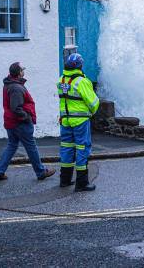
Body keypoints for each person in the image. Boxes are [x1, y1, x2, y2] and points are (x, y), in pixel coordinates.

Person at [0, 62, 55, 181]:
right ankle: (41, 172)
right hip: (20, 123)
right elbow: (16, 108)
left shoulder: (10, 84)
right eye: (22, 70)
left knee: (11, 146)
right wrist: (27, 117)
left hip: (10, 122)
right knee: (31, 147)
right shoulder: (16, 87)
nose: (24, 71)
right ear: (19, 72)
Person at [57, 53, 100, 191]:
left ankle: (65, 180)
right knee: (82, 148)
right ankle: (81, 183)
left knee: (67, 148)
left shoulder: (61, 80)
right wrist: (91, 113)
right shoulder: (82, 81)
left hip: (65, 121)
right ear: (80, 66)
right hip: (80, 121)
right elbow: (93, 102)